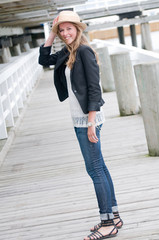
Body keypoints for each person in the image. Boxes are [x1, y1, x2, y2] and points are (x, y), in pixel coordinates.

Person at [39, 10, 123, 240]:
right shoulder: (68, 52)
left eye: (69, 29)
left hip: (88, 119)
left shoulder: (84, 51)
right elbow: (44, 60)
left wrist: (91, 123)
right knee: (99, 167)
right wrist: (52, 33)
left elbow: (95, 88)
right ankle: (113, 215)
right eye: (62, 30)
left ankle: (107, 223)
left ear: (78, 29)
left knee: (95, 170)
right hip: (80, 119)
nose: (65, 33)